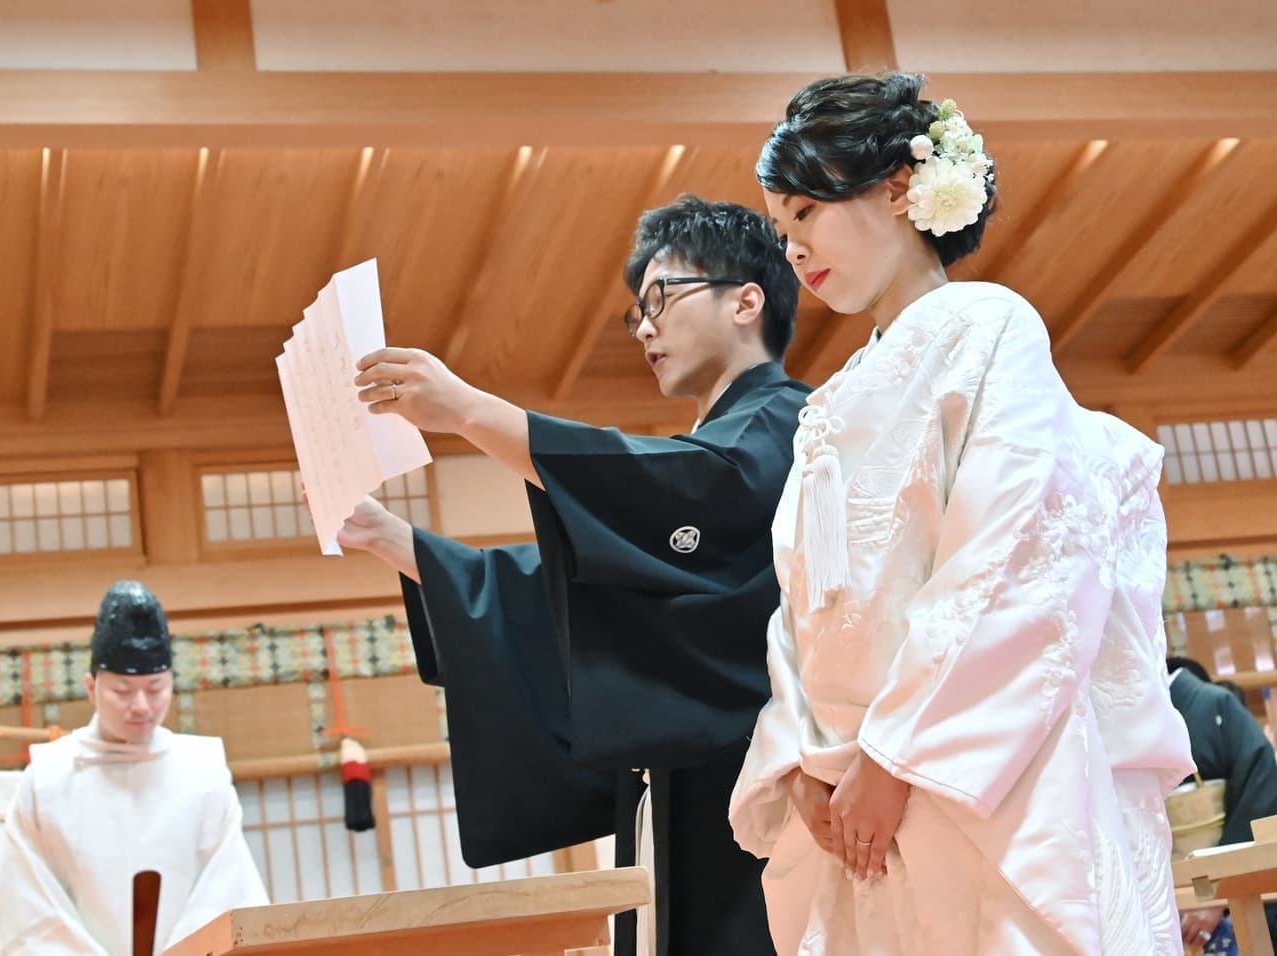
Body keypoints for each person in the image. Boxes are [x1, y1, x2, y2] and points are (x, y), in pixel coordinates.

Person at [727, 72, 1196, 954]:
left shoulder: (989, 327)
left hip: (970, 765)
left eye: (807, 213)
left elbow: (1013, 554)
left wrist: (898, 754)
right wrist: (800, 759)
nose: (791, 249)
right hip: (850, 776)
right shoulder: (829, 399)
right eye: (781, 229)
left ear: (899, 188)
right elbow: (802, 601)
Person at [339, 196, 808, 955]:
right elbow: (565, 588)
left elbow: (690, 489)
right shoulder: (719, 445)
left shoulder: (790, 425)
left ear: (745, 300)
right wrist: (398, 542)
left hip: (766, 797)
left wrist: (468, 411)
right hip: (680, 790)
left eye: (661, 298)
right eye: (636, 313)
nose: (645, 326)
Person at [0, 581, 268, 955]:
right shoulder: (48, 778)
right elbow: (26, 909)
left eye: (155, 689)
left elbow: (226, 890)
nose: (141, 706)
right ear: (91, 687)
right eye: (122, 690)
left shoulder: (203, 770)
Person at [1167, 658, 1277, 953]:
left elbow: (1261, 795)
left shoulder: (1215, 705)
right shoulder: (1121, 722)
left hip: (1231, 898)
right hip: (1166, 901)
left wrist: (1219, 893)